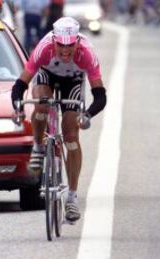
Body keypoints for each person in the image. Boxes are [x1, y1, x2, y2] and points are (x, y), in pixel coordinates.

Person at [11, 17, 107, 222]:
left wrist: (87, 114)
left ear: (77, 42)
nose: (65, 51)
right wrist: (18, 107)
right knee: (42, 103)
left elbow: (100, 95)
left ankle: (71, 198)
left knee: (71, 136)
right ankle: (38, 147)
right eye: (61, 45)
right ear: (53, 41)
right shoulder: (43, 49)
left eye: (70, 46)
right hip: (47, 75)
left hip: (73, 81)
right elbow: (20, 84)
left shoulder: (87, 53)